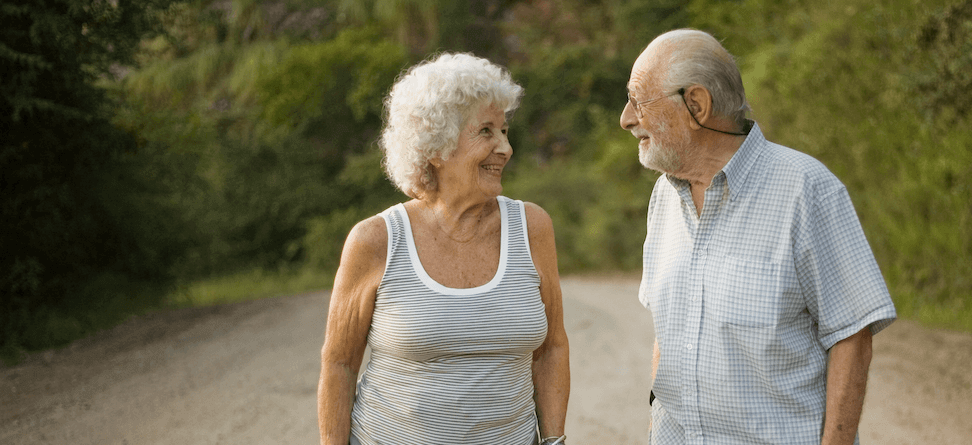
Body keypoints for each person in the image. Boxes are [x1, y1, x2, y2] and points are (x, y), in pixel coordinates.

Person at [620, 29, 898, 445]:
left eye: (639, 101)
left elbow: (851, 338)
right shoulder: (664, 195)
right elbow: (669, 332)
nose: (626, 118)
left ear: (696, 104)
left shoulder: (807, 190)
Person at [318, 53, 570, 445]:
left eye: (504, 130)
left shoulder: (532, 227)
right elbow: (339, 364)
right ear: (435, 145)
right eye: (486, 131)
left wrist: (554, 442)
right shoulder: (375, 241)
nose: (505, 147)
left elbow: (552, 349)